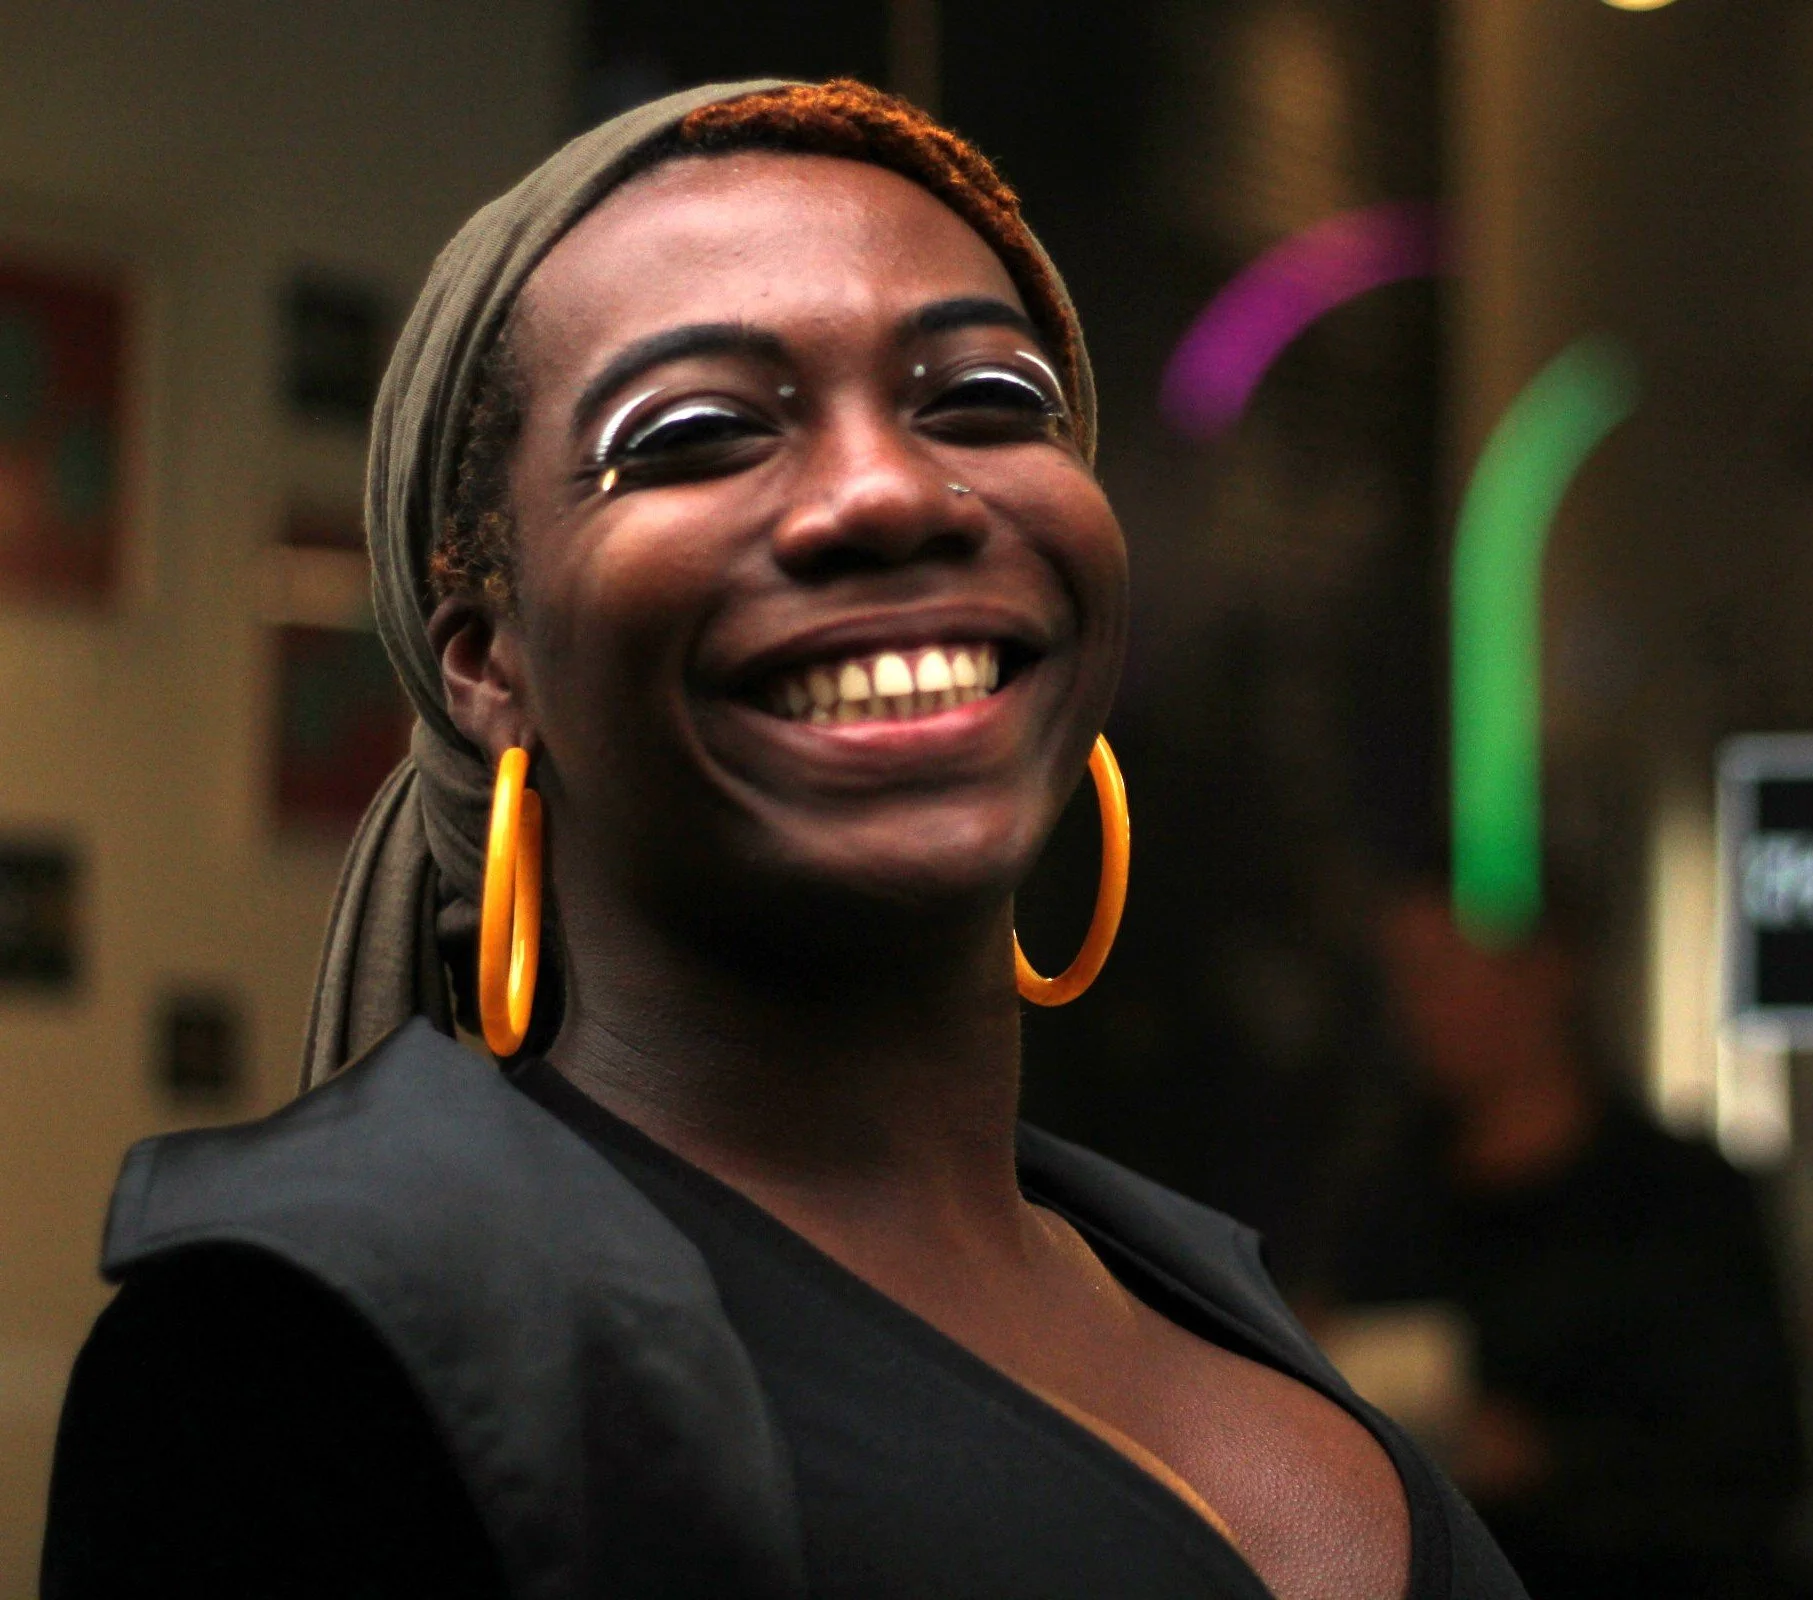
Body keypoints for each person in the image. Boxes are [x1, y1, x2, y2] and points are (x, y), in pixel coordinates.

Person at [41, 81, 1527, 1600]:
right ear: (491, 662)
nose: (887, 489)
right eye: (695, 431)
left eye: (985, 400)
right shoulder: (319, 1353)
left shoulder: (1190, 1276)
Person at [1327, 890, 1805, 1598]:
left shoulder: (1677, 1199)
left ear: (1547, 972)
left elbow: (1756, 1463)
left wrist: (1540, 1459)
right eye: (1405, 974)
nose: (1421, 1003)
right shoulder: (1386, 1194)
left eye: (1448, 967)